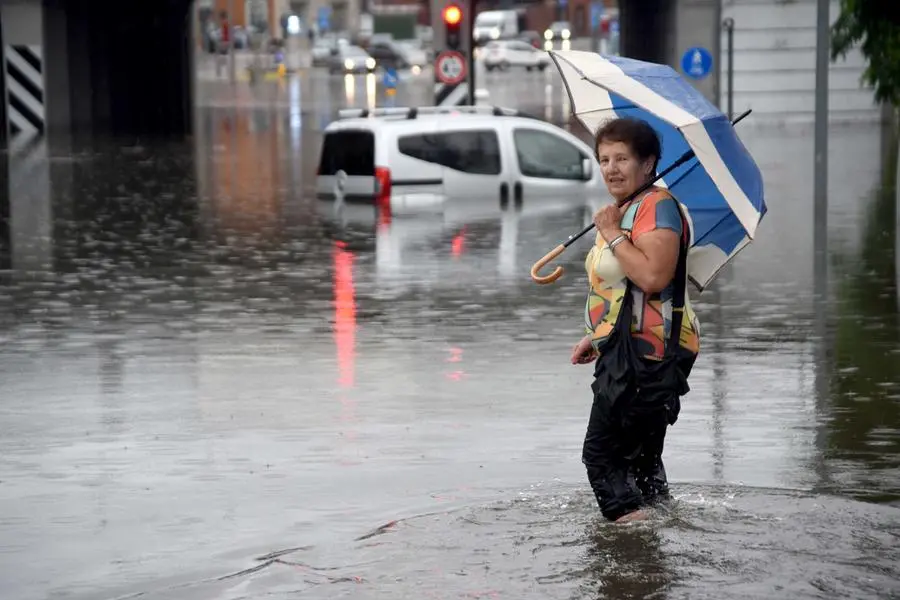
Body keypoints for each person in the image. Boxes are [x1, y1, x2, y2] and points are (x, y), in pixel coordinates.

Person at [570, 117, 701, 523]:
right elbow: (619, 288)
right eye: (605, 158)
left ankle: (631, 558)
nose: (611, 168)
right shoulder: (626, 210)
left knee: (602, 457)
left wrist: (611, 233)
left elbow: (652, 276)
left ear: (649, 163)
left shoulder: (657, 208)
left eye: (622, 158)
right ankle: (658, 545)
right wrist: (597, 335)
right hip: (629, 344)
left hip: (645, 355)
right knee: (641, 463)